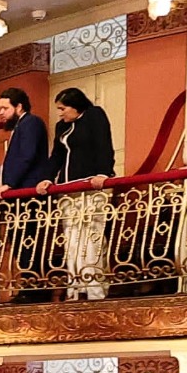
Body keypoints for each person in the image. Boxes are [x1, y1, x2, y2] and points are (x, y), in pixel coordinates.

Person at [38, 87, 118, 297]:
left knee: (91, 237)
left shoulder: (94, 115)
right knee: (72, 239)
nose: (60, 113)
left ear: (76, 106)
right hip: (67, 189)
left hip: (91, 186)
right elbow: (56, 155)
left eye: (63, 108)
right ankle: (76, 287)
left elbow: (104, 144)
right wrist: (47, 178)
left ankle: (95, 288)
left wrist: (103, 173)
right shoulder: (61, 127)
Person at [0, 89, 47, 194]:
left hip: (29, 190)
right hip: (21, 189)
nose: (1, 112)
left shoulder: (30, 122)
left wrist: (9, 184)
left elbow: (27, 156)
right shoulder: (20, 125)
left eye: (5, 108)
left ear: (19, 107)